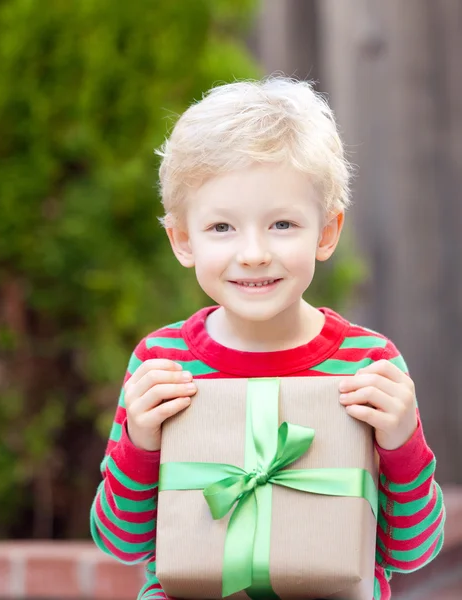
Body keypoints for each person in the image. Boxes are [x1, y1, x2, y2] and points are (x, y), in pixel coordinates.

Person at [90, 77, 445, 600]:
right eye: (222, 228)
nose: (253, 252)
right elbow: (122, 543)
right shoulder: (161, 362)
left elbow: (411, 552)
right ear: (183, 240)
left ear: (326, 232)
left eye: (282, 224)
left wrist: (402, 445)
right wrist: (139, 444)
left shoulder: (368, 364)